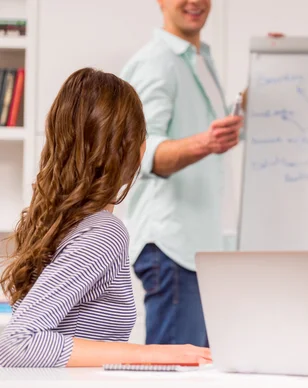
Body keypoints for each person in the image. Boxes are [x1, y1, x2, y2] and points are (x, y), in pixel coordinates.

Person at [0, 68, 211, 367]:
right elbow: (16, 344)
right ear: (136, 153)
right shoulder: (104, 233)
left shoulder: (59, 222)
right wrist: (152, 353)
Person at [120, 0, 243, 347]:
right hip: (172, 248)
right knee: (175, 374)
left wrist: (270, 66)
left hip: (199, 249)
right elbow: (140, 152)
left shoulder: (199, 58)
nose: (195, 2)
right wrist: (205, 142)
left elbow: (221, 133)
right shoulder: (156, 62)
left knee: (197, 373)